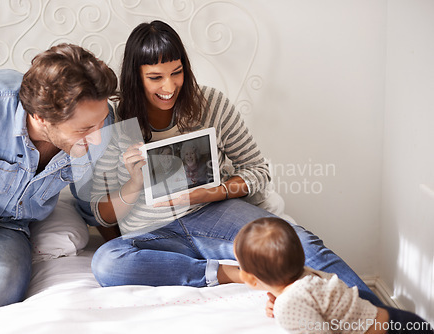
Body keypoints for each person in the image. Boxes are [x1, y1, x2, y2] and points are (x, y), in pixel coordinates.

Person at [89, 20, 381, 306]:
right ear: (134, 77)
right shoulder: (114, 119)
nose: (169, 86)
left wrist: (210, 192)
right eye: (155, 77)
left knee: (295, 240)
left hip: (213, 213)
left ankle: (377, 314)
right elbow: (101, 213)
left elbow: (257, 170)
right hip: (153, 233)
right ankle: (231, 273)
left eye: (176, 72)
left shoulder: (211, 103)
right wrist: (133, 184)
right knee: (106, 263)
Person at [0, 43, 117, 315]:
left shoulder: (101, 121)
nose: (99, 136)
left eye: (101, 122)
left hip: (3, 228)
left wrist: (123, 251)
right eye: (85, 129)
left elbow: (93, 203)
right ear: (41, 117)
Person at [234, 217, 433, 334]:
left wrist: (284, 304)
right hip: (403, 321)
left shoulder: (289, 304)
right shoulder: (308, 276)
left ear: (249, 278)